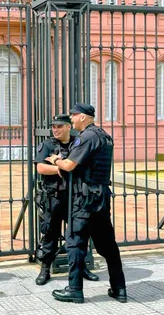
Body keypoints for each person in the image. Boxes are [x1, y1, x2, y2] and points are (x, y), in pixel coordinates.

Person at [46, 103, 127, 304]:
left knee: (75, 241)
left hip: (84, 199)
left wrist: (56, 159)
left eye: (73, 116)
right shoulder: (105, 136)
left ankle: (74, 289)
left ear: (82, 117)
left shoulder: (87, 137)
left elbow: (69, 165)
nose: (71, 120)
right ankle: (119, 288)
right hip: (100, 198)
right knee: (108, 245)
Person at [34, 114, 98, 285]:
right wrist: (59, 169)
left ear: (69, 126)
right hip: (53, 197)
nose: (55, 129)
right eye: (53, 126)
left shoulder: (78, 142)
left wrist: (62, 164)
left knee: (79, 233)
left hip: (76, 197)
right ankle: (45, 269)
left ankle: (81, 267)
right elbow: (40, 167)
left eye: (59, 126)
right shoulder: (48, 144)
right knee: (50, 234)